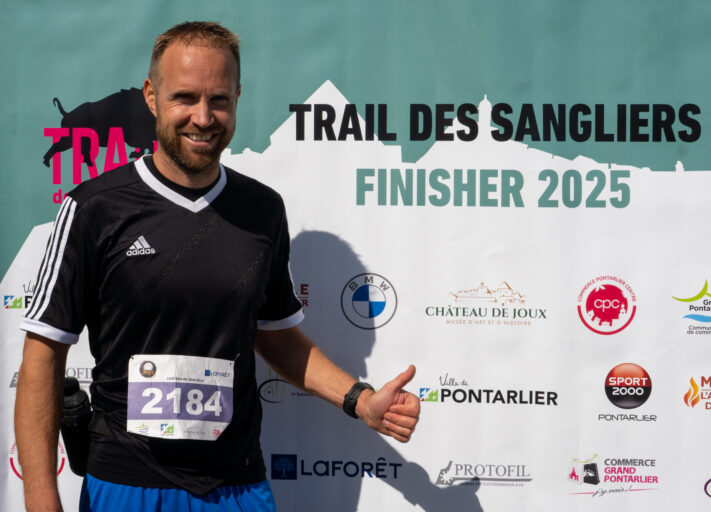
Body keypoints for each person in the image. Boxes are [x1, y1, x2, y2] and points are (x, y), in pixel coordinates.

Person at [14, 21, 420, 512]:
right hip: (126, 482)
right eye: (185, 97)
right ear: (151, 96)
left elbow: (276, 338)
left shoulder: (262, 210)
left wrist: (361, 400)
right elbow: (43, 356)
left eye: (219, 100)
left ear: (238, 98)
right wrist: (41, 499)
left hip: (237, 485)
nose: (203, 118)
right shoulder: (95, 207)